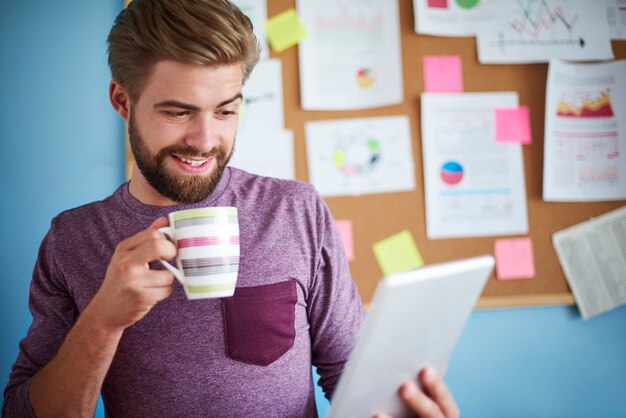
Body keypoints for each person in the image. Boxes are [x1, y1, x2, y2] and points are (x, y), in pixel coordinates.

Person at [2, 1, 459, 417]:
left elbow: (356, 378)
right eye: (178, 112)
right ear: (123, 101)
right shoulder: (73, 239)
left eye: (225, 111)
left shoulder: (296, 211)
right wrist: (102, 320)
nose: (205, 141)